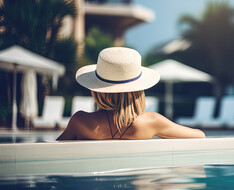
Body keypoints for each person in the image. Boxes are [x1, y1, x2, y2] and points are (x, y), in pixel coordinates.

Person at [57, 47, 205, 140]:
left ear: (97, 91)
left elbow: (50, 151)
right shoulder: (152, 122)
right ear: (138, 92)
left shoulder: (80, 122)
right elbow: (200, 136)